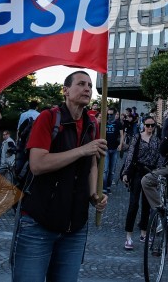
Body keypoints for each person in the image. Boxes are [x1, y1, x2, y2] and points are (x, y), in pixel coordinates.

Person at [11, 71, 108, 282]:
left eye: (90, 85)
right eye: (81, 84)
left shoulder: (92, 125)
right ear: (65, 91)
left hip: (75, 228)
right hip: (38, 223)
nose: (87, 89)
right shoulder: (48, 118)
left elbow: (92, 164)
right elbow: (37, 164)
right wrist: (82, 150)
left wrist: (94, 195)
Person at [121, 115, 161, 250]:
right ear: (143, 125)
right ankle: (128, 236)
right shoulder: (137, 138)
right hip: (138, 172)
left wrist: (159, 175)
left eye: (152, 125)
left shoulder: (156, 140)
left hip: (150, 173)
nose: (150, 128)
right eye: (148, 125)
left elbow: (159, 158)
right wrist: (126, 173)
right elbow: (130, 155)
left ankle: (144, 232)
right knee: (133, 204)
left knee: (146, 205)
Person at [103, 107, 124, 194]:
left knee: (112, 171)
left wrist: (121, 144)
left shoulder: (118, 123)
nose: (109, 116)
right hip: (106, 149)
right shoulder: (104, 123)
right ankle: (103, 188)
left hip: (114, 149)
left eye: (111, 114)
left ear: (115, 115)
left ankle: (108, 187)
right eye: (108, 114)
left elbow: (122, 135)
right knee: (105, 170)